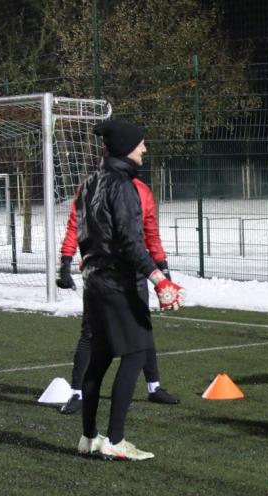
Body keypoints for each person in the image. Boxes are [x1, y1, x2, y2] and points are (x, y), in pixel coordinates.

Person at [74, 119, 185, 461]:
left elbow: (82, 232)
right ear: (126, 147)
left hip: (93, 281)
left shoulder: (90, 182)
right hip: (118, 282)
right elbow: (129, 241)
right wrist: (159, 279)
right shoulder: (123, 186)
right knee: (136, 354)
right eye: (140, 144)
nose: (145, 149)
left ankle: (89, 437)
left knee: (101, 358)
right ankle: (116, 440)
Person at [56, 169, 179, 414]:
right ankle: (77, 394)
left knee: (142, 328)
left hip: (132, 275)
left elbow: (151, 232)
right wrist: (66, 261)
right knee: (91, 332)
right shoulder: (90, 187)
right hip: (100, 276)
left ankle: (154, 388)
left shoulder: (141, 190)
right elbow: (75, 224)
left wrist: (162, 267)